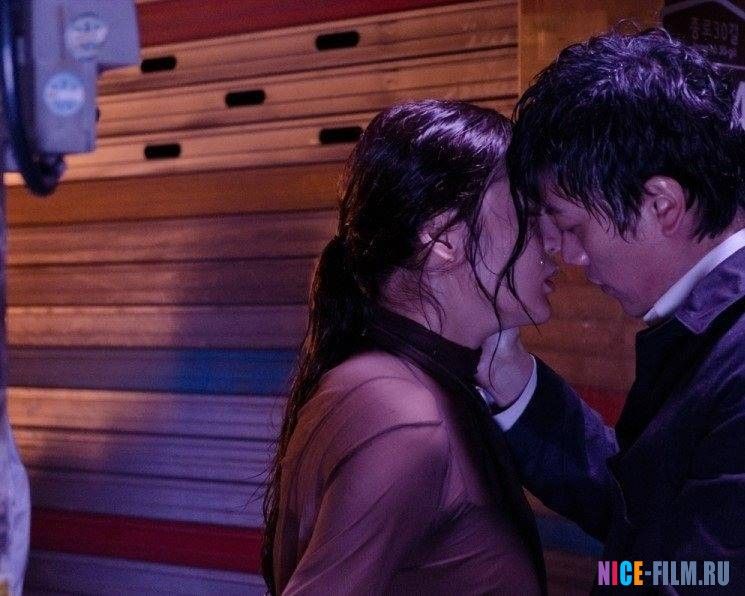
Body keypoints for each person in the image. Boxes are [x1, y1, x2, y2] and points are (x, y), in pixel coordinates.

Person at [478, 28, 745, 592]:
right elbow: (646, 512)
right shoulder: (709, 325)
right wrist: (517, 383)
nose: (568, 257)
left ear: (661, 204)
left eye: (573, 227)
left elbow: (698, 577)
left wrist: (609, 575)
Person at [261, 99, 559, 595]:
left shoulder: (407, 386)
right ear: (445, 239)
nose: (554, 240)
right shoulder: (405, 415)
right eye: (527, 214)